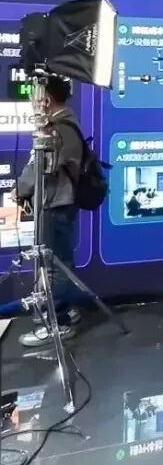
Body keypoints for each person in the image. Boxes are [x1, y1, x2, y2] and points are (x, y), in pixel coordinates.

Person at [14, 77, 83, 348]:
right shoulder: (62, 124)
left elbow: (42, 167)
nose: (34, 102)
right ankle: (66, 311)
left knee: (54, 266)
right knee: (59, 261)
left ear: (47, 98)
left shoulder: (59, 128)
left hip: (55, 203)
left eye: (37, 96)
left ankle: (59, 323)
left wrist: (21, 188)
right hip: (55, 201)